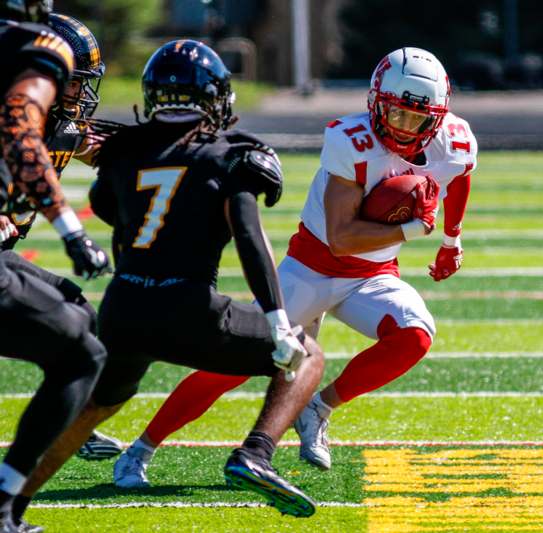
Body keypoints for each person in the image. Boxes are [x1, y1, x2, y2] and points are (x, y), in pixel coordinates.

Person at [112, 46, 477, 484]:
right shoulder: (350, 140)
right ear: (375, 100)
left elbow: (459, 176)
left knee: (415, 335)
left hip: (373, 275)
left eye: (416, 118)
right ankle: (141, 449)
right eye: (394, 114)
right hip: (311, 267)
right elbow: (342, 240)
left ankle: (317, 409)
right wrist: (416, 231)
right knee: (229, 366)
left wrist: (452, 241)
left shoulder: (456, 141)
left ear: (437, 116)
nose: (402, 128)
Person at [14, 39, 325, 520]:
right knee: (308, 357)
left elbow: (104, 206)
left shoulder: (121, 151)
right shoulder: (231, 154)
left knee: (93, 409)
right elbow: (248, 236)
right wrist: (279, 321)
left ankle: (11, 500)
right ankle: (255, 454)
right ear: (216, 98)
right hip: (190, 309)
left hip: (123, 307)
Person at [0, 1, 113, 531]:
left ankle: (65, 419)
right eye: (74, 80)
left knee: (77, 315)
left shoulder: (57, 124)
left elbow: (67, 138)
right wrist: (71, 229)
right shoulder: (31, 72)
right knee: (79, 348)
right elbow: (23, 133)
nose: (76, 91)